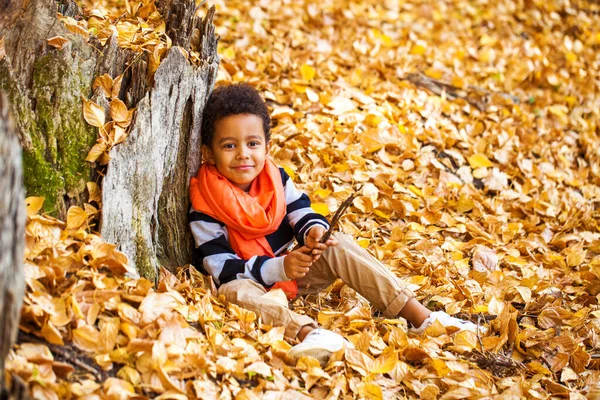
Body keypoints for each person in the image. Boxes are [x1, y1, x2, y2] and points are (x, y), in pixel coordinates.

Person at [189, 83, 482, 367]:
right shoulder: (205, 204)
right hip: (252, 282)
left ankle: (422, 318)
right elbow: (221, 268)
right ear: (209, 153)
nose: (243, 153)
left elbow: (300, 212)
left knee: (338, 244)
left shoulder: (276, 180)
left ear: (267, 147)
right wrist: (280, 268)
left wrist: (314, 231)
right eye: (229, 145)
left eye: (252, 143)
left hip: (293, 274)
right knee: (232, 293)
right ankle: (311, 334)